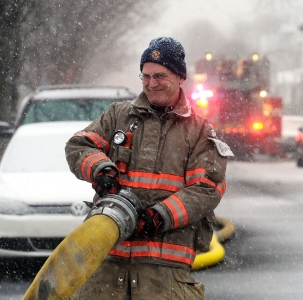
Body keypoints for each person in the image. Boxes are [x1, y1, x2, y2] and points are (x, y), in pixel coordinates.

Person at [65, 37, 233, 300]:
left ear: (180, 77)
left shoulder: (199, 131)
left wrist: (160, 216)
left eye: (160, 76)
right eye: (146, 76)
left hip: (163, 274)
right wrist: (101, 170)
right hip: (107, 263)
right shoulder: (119, 116)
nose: (151, 83)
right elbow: (79, 145)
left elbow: (207, 188)